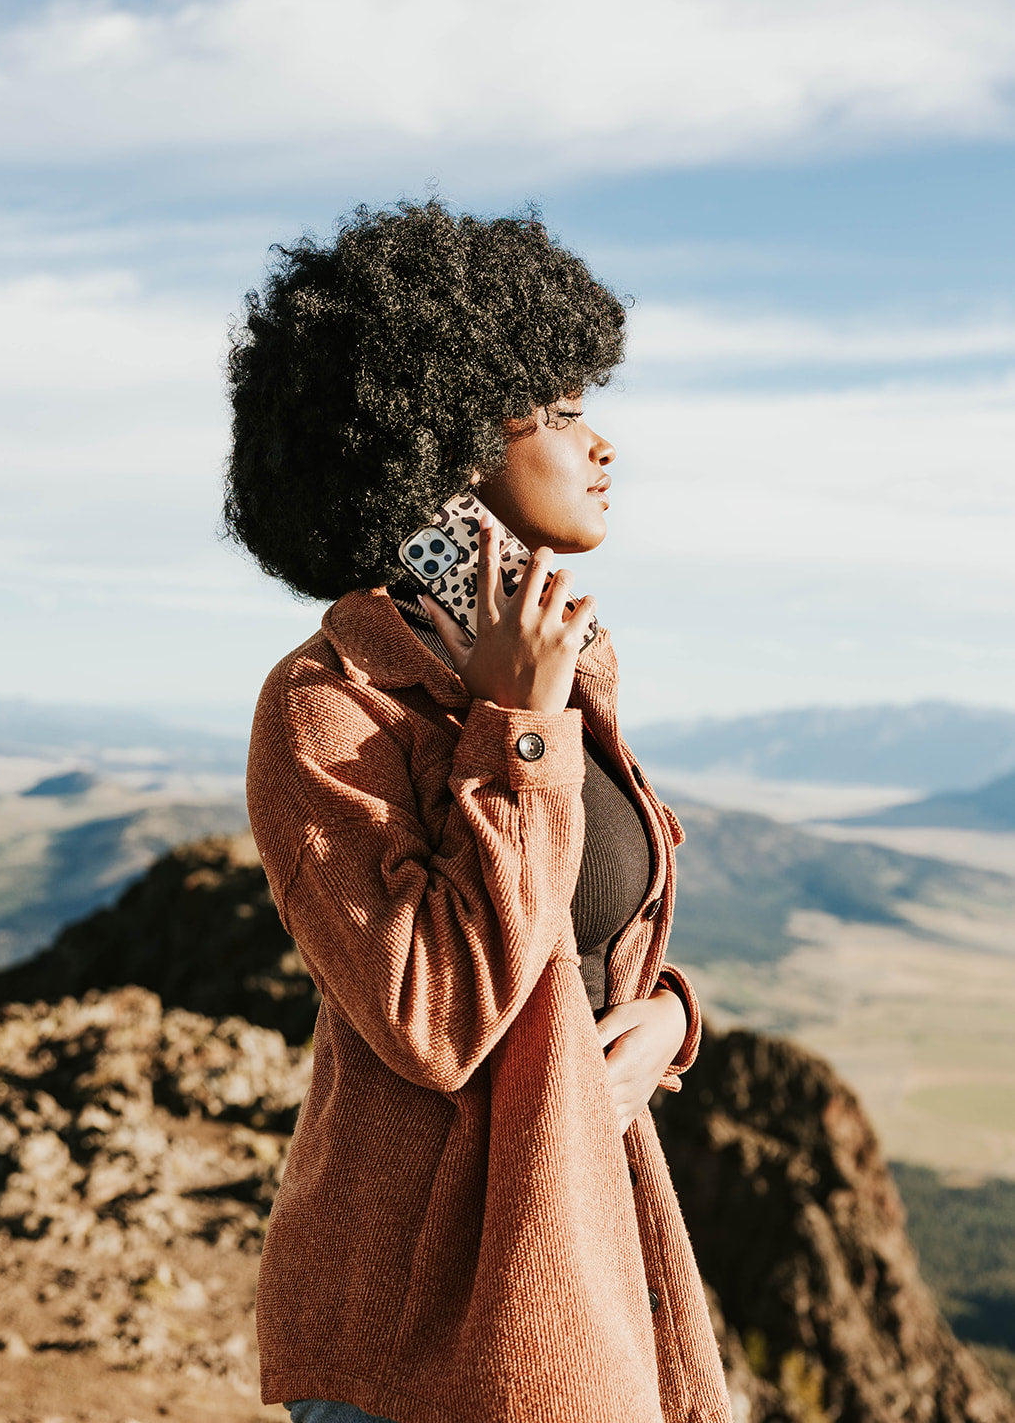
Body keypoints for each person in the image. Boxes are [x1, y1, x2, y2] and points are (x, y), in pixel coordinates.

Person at [224, 200, 732, 1423]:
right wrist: (516, 729)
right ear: (441, 442)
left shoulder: (549, 663)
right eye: (555, 413)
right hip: (430, 1342)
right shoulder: (329, 701)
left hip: (577, 1262)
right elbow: (436, 1018)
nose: (600, 442)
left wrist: (665, 1023)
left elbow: (586, 952)